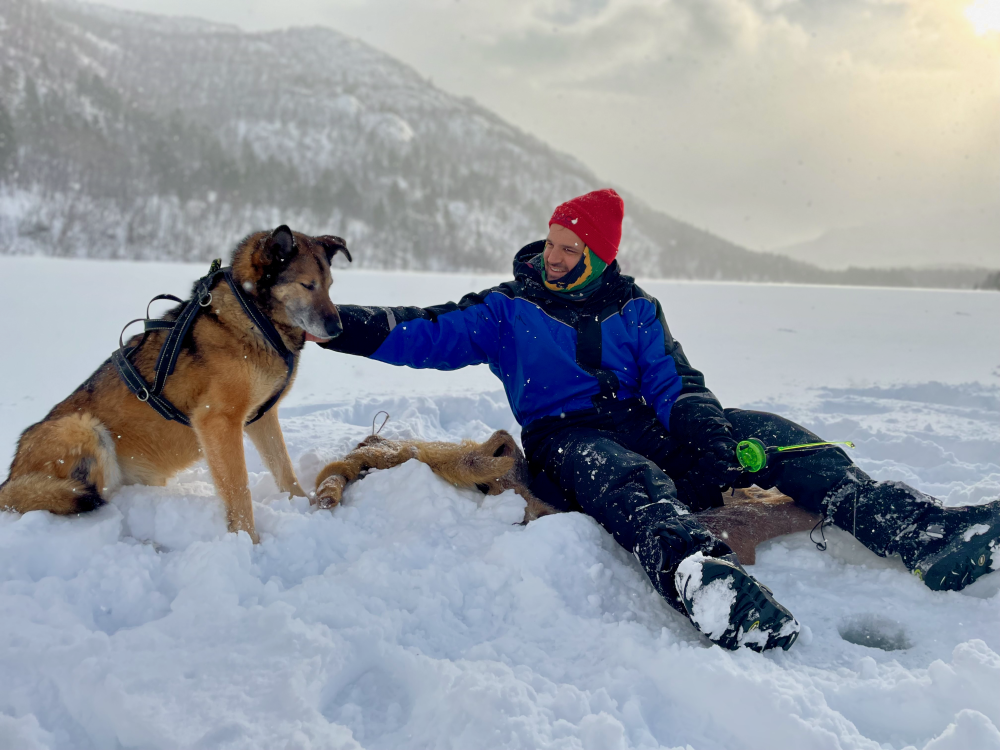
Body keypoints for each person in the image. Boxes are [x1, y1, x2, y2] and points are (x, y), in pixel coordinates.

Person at [319, 189, 1000, 651]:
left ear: (598, 257)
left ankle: (926, 536)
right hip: (570, 438)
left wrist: (703, 428)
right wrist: (332, 326)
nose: (552, 256)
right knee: (625, 478)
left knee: (776, 433)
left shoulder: (634, 307)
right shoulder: (508, 309)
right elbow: (419, 331)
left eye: (568, 249)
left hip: (646, 421)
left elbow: (675, 378)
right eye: (550, 243)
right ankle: (701, 579)